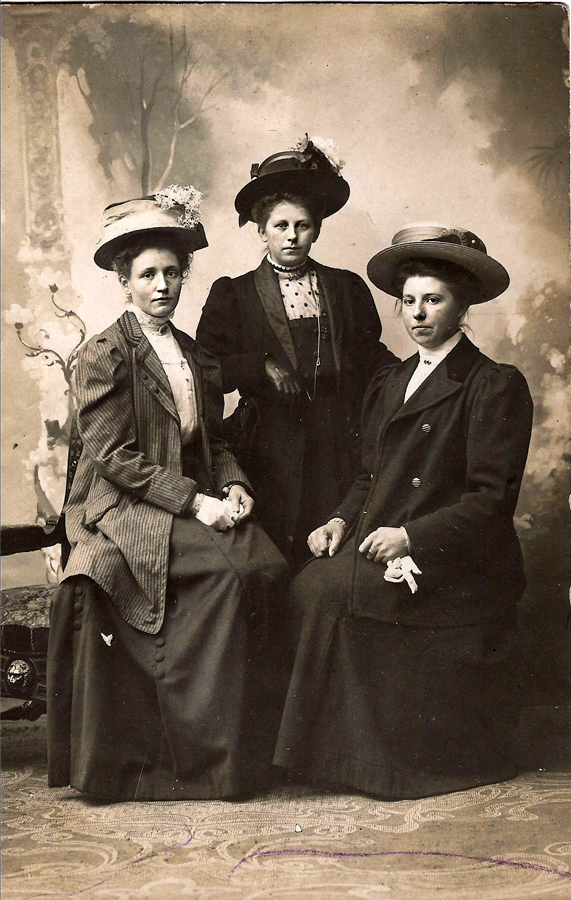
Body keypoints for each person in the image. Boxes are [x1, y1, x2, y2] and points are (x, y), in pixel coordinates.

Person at [274, 224, 534, 799]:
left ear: (462, 307)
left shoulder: (491, 385)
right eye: (409, 301)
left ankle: (377, 762)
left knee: (335, 594)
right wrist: (339, 520)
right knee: (311, 584)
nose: (417, 314)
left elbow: (491, 502)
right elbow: (370, 477)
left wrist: (411, 537)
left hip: (454, 562)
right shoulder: (391, 381)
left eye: (433, 300)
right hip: (383, 539)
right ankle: (329, 758)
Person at [46, 189, 287, 801]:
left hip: (186, 495)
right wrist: (197, 502)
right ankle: (200, 758)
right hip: (122, 504)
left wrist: (234, 484)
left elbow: (214, 441)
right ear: (124, 282)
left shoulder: (195, 355)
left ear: (184, 276)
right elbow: (113, 458)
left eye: (172, 273)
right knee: (230, 575)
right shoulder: (104, 354)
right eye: (148, 274)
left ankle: (244, 753)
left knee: (265, 564)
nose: (162, 286)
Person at [196, 137, 398, 568]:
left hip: (337, 440)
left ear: (317, 229)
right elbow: (206, 368)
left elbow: (371, 355)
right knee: (276, 553)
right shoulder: (234, 294)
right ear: (262, 230)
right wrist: (260, 365)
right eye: (280, 225)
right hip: (269, 445)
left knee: (330, 552)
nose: (292, 236)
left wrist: (414, 379)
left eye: (302, 225)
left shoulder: (345, 287)